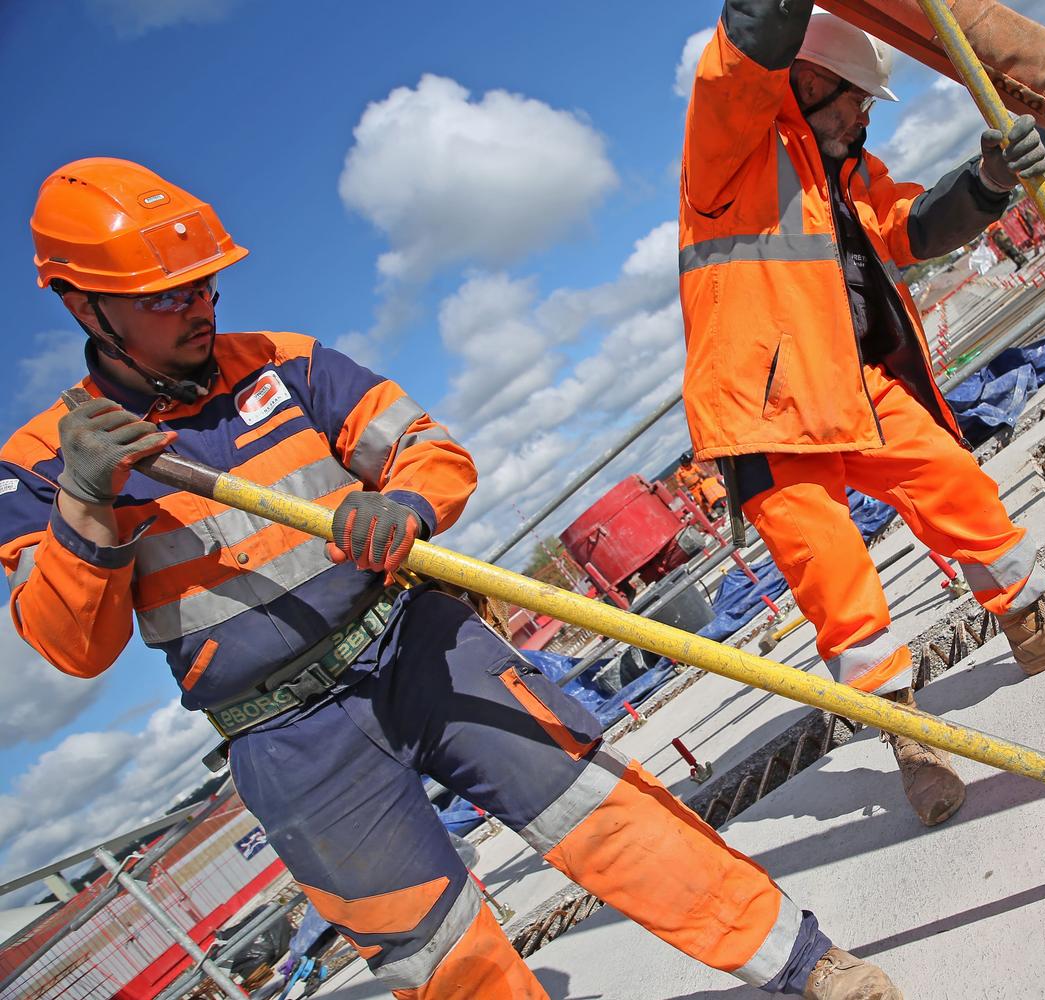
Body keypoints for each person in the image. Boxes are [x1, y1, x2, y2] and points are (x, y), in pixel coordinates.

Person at [3, 157, 902, 1000]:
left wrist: (405, 504)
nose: (200, 307)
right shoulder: (42, 464)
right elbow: (74, 648)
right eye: (167, 297)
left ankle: (808, 966)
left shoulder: (286, 361)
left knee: (603, 810)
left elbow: (429, 448)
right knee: (435, 952)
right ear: (86, 308)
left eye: (205, 284)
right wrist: (86, 504)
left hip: (413, 644)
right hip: (283, 736)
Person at [679, 3, 1045, 827]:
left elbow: (909, 227)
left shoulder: (845, 170)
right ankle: (912, 740)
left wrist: (989, 181)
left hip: (852, 383)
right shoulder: (732, 148)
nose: (863, 116)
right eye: (855, 99)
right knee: (836, 580)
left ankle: (1035, 625)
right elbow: (744, 52)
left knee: (956, 484)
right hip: (766, 412)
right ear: (807, 80)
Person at [674, 448, 730, 518]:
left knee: (710, 494)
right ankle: (709, 515)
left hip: (701, 484)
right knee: (701, 502)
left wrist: (704, 475)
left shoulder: (693, 466)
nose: (688, 463)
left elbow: (700, 472)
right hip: (693, 489)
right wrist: (686, 490)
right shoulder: (679, 472)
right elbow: (680, 484)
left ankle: (720, 505)